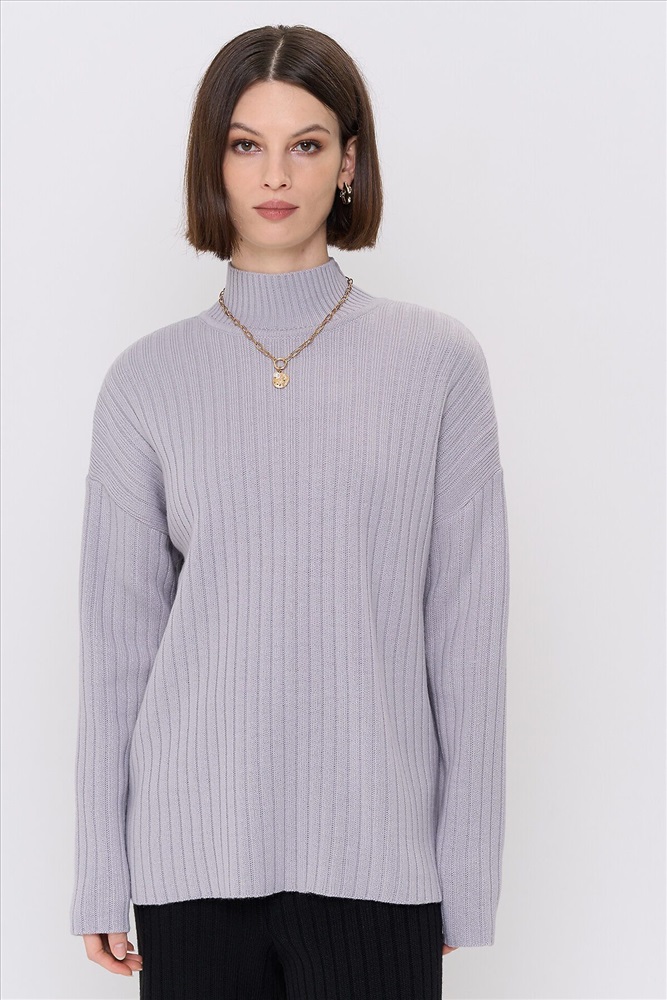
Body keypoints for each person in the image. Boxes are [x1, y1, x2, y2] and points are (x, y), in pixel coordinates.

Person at [69, 23, 510, 1000]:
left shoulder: (436, 365)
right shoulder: (147, 381)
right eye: (246, 143)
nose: (275, 173)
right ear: (214, 162)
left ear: (348, 162)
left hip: (378, 862)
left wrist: (465, 875)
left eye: (306, 143)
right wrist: (100, 867)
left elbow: (467, 639)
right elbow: (117, 648)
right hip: (189, 864)